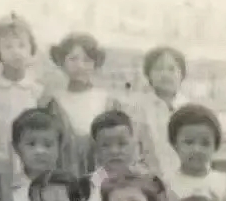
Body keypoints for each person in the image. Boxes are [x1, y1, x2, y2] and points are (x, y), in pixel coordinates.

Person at [40, 33, 153, 177]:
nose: (80, 66)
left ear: (95, 64)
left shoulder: (108, 101)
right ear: (62, 62)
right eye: (73, 59)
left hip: (103, 174)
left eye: (87, 60)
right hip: (65, 172)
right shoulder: (52, 103)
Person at [80, 110, 165, 201]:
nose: (114, 151)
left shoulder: (149, 182)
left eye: (122, 143)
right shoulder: (86, 185)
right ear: (96, 149)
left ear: (134, 145)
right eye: (105, 145)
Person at [0, 15, 44, 169]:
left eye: (21, 45)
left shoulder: (38, 90)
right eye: (8, 47)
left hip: (29, 159)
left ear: (31, 49)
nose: (16, 52)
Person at [9, 108, 63, 201]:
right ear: (16, 147)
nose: (40, 151)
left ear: (59, 147)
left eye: (48, 145)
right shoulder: (8, 191)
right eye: (31, 144)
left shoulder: (70, 187)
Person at [137, 46, 189, 178]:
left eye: (171, 69)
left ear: (182, 74)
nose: (165, 74)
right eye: (158, 69)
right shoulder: (138, 109)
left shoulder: (190, 109)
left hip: (186, 179)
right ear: (148, 74)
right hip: (149, 181)